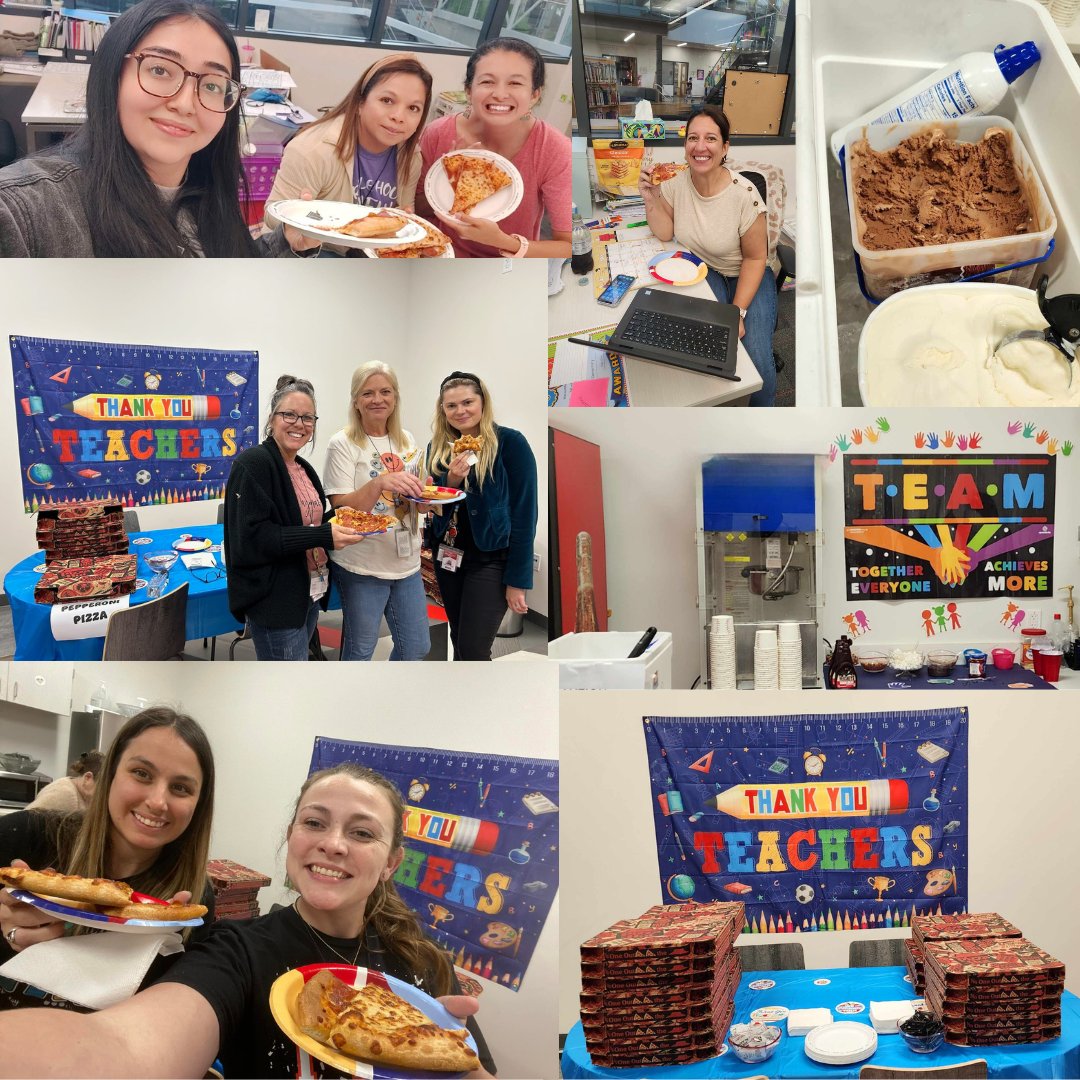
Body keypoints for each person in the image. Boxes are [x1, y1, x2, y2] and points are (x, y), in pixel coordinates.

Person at [0, 764, 496, 1078]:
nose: (334, 843)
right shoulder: (237, 950)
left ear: (391, 862)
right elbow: (124, 1046)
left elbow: (471, 1066)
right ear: (292, 836)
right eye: (315, 822)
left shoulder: (423, 964)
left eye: (362, 832)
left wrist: (452, 1063)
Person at [0, 0, 309, 257]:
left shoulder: (206, 190)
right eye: (160, 69)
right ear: (112, 74)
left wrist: (288, 240)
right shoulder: (29, 211)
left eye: (213, 84)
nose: (186, 103)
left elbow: (230, 277)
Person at [0, 708, 216, 1003]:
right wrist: (8, 931)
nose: (157, 802)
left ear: (198, 805)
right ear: (110, 774)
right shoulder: (25, 836)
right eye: (141, 773)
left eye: (180, 788)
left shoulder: (195, 899)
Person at [638, 105, 777, 406]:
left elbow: (755, 259)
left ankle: (766, 416)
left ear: (725, 147)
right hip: (706, 269)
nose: (700, 147)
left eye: (711, 139)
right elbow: (664, 232)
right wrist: (651, 198)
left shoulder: (745, 194)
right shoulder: (674, 182)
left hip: (748, 272)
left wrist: (737, 311)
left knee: (755, 355)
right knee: (706, 339)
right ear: (685, 144)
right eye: (693, 138)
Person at [224, 375, 364, 661]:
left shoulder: (303, 467)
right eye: (289, 414)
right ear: (272, 418)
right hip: (276, 602)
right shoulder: (253, 464)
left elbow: (307, 522)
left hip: (308, 592)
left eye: (308, 418)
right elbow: (253, 539)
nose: (299, 424)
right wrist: (324, 535)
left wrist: (346, 515)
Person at [415, 38, 571, 259]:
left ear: (535, 94)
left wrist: (502, 242)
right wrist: (450, 180)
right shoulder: (438, 132)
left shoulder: (555, 149)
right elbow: (419, 210)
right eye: (487, 82)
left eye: (515, 83)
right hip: (439, 255)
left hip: (507, 265)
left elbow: (568, 245)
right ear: (469, 90)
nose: (499, 94)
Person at [426, 372, 537, 660]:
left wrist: (518, 580)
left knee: (475, 648)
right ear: (443, 410)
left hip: (492, 559)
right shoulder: (437, 449)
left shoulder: (510, 443)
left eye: (467, 402)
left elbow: (525, 514)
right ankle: (462, 700)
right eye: (451, 406)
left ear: (482, 402)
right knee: (459, 639)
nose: (460, 411)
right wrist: (450, 481)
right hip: (449, 556)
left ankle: (485, 702)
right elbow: (434, 506)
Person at [323, 362, 430, 661]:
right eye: (367, 393)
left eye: (385, 392)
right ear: (355, 401)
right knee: (360, 650)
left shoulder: (406, 439)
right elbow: (342, 508)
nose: (377, 399)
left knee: (416, 646)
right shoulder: (342, 443)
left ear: (395, 397)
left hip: (406, 561)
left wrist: (424, 500)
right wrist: (379, 482)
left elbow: (410, 502)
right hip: (362, 565)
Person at [265, 54, 432, 222]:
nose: (398, 116)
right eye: (387, 100)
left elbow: (404, 216)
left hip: (373, 247)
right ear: (360, 102)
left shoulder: (411, 158)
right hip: (315, 247)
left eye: (413, 108)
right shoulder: (312, 150)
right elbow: (273, 220)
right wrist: (304, 222)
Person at [25, 751, 105, 814]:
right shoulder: (65, 794)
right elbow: (26, 823)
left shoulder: (80, 793)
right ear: (87, 778)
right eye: (103, 787)